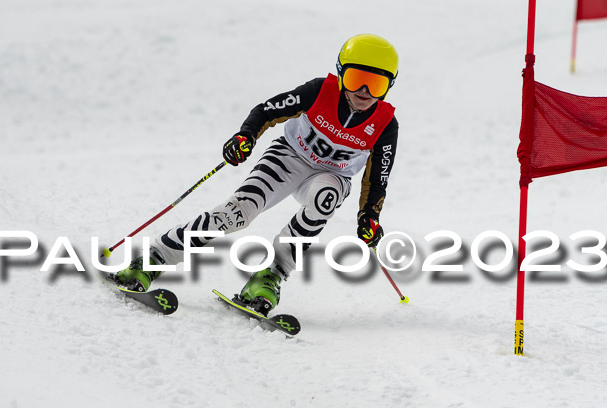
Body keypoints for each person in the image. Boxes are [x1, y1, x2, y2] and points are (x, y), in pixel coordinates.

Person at [114, 33, 400, 316]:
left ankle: (270, 276)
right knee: (239, 213)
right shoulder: (318, 91)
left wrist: (369, 217)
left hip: (331, 176)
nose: (365, 91)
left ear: (389, 86)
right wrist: (245, 136)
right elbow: (266, 110)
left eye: (377, 83)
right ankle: (153, 258)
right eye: (355, 79)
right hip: (289, 157)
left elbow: (378, 179)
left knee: (326, 198)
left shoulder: (385, 124)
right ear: (340, 74)